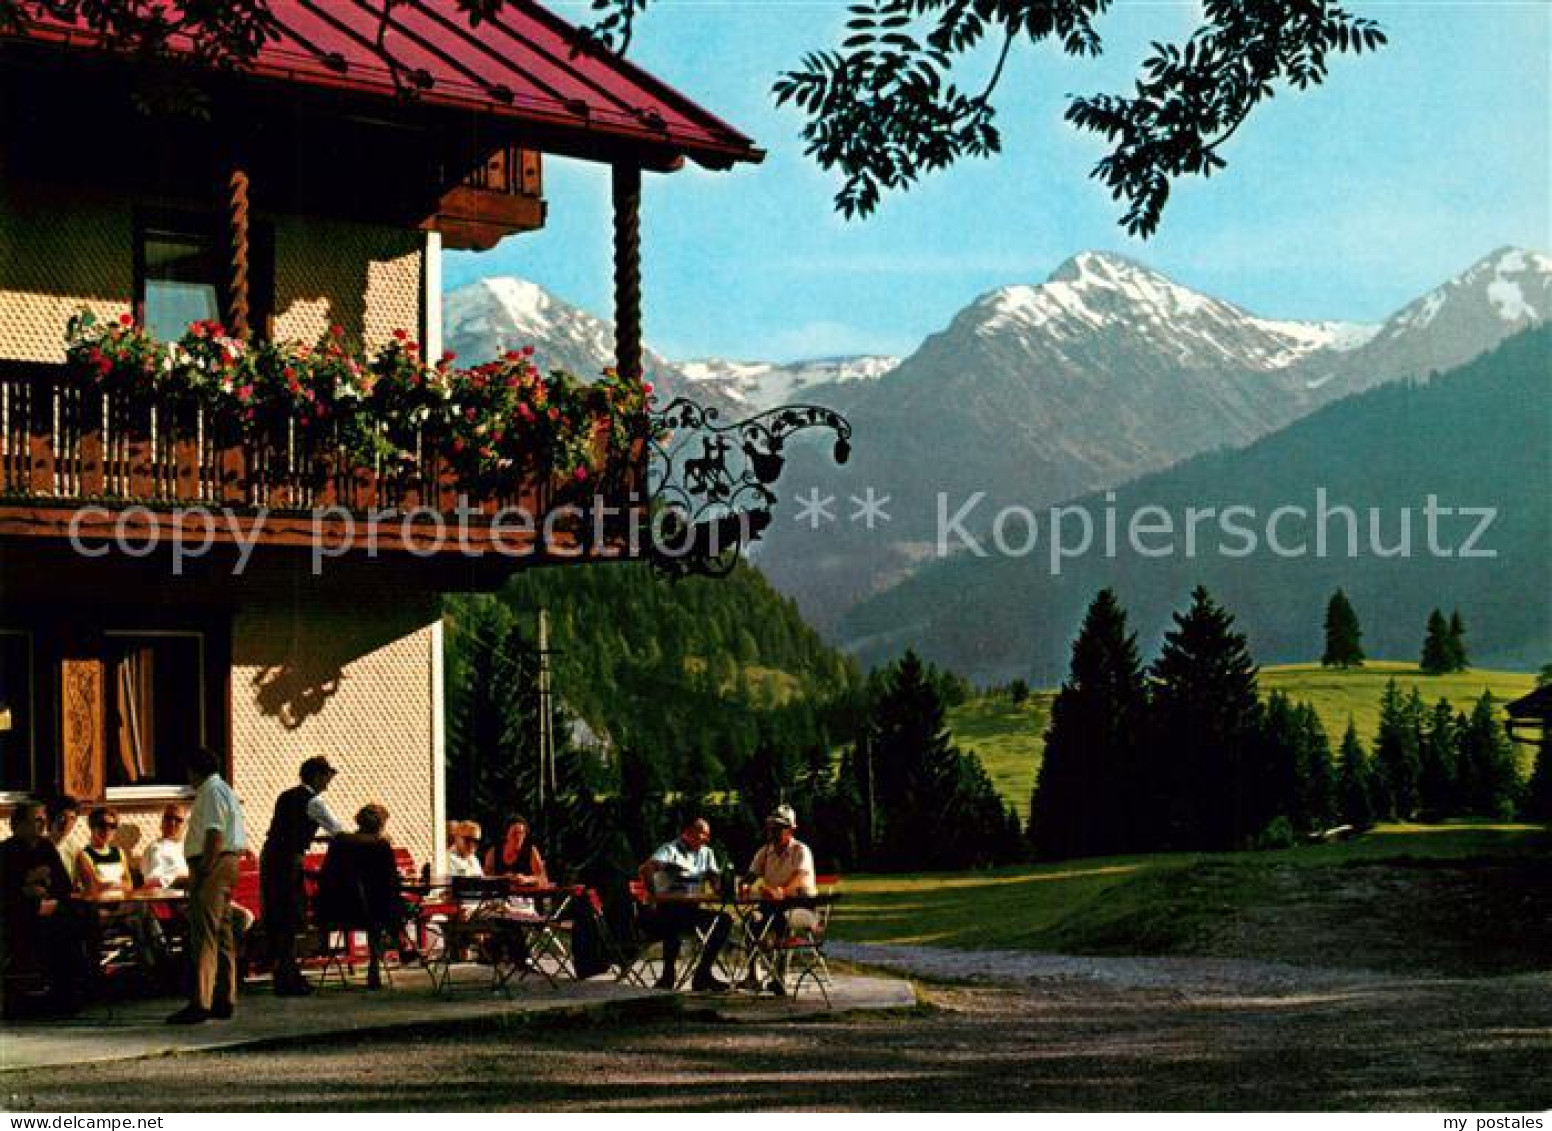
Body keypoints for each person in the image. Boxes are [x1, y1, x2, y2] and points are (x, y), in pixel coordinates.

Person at [167, 746, 246, 1025]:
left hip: (213, 863)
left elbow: (214, 833)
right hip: (226, 862)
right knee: (221, 932)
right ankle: (224, 997)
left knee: (204, 933)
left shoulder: (211, 791)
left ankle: (201, 1000)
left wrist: (203, 869)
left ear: (194, 770)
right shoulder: (223, 789)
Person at [260, 754, 343, 997]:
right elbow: (336, 829)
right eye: (326, 776)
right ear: (317, 776)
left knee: (277, 916)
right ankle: (288, 977)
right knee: (289, 916)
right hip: (288, 861)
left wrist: (313, 838)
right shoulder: (313, 802)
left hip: (271, 857)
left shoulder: (285, 796)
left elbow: (285, 828)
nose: (328, 782)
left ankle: (284, 973)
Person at [0, 800, 84, 1016]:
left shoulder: (46, 847)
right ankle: (54, 993)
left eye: (44, 820)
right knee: (55, 928)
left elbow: (63, 885)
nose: (43, 825)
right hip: (17, 915)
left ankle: (74, 989)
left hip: (50, 907)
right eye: (37, 820)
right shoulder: (6, 851)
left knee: (81, 915)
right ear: (18, 824)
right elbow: (7, 890)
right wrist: (28, 885)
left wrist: (43, 888)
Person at [315, 803, 408, 990]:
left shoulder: (340, 842)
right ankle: (391, 950)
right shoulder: (380, 846)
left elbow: (326, 875)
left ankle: (398, 940)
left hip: (336, 910)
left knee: (377, 903)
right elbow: (390, 880)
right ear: (381, 825)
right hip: (370, 912)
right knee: (386, 904)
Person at [638, 817, 731, 992]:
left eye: (708, 835)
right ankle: (668, 975)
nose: (706, 839)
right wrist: (654, 895)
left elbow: (715, 880)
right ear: (688, 832)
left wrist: (720, 883)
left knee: (723, 920)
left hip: (691, 910)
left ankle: (703, 974)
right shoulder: (670, 850)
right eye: (703, 834)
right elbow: (646, 869)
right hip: (666, 910)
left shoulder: (707, 853)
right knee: (672, 919)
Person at [744, 804, 819, 994]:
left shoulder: (800, 850)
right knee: (751, 920)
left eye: (778, 827)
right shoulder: (764, 852)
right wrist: (744, 884)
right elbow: (750, 876)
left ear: (791, 830)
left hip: (801, 906)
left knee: (782, 921)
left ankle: (780, 976)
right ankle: (753, 975)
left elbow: (800, 877)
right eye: (771, 826)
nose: (772, 831)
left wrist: (782, 891)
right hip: (772, 906)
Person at [74, 806, 139, 897]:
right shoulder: (84, 855)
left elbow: (129, 884)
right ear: (92, 827)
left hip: (121, 901)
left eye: (112, 826)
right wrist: (119, 885)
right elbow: (94, 886)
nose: (107, 830)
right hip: (99, 903)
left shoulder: (119, 852)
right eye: (102, 825)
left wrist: (110, 885)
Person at [482, 817, 547, 886]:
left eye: (521, 833)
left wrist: (526, 879)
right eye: (514, 833)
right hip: (500, 891)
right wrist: (504, 878)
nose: (518, 837)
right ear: (506, 835)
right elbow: (485, 878)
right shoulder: (494, 851)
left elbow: (543, 878)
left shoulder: (530, 850)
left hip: (524, 891)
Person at [141, 805, 190, 890]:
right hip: (162, 892)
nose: (172, 823)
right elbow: (150, 877)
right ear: (162, 822)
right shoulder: (155, 847)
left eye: (178, 820)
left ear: (185, 825)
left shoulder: (189, 848)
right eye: (168, 818)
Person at [44, 794, 80, 887]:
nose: (67, 823)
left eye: (72, 818)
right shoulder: (39, 846)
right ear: (51, 818)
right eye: (62, 817)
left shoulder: (75, 847)